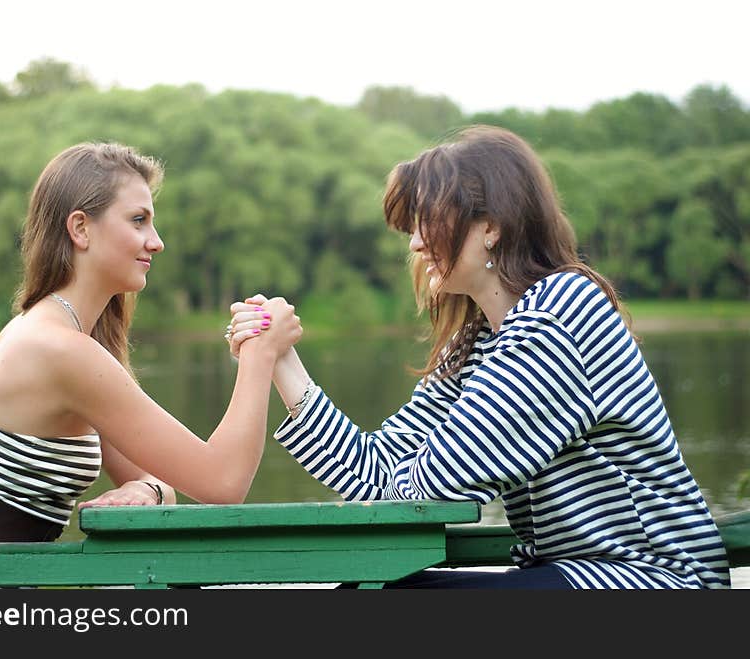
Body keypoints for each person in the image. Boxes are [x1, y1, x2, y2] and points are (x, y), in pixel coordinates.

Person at [228, 125, 731, 589]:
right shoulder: (476, 347)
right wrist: (280, 360)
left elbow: (425, 487)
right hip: (574, 577)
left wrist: (398, 483)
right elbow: (378, 473)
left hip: (654, 581)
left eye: (428, 221)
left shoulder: (559, 315)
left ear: (489, 226)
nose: (417, 242)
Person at [0, 142, 301, 544]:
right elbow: (223, 482)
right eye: (138, 220)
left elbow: (157, 479)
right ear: (80, 228)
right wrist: (261, 351)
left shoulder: (64, 337)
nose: (156, 241)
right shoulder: (59, 350)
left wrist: (145, 489)